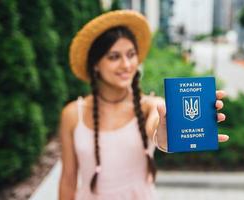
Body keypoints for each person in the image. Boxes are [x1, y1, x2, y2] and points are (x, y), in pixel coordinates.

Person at [58, 10, 228, 200]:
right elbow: (68, 180)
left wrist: (169, 133)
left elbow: (159, 135)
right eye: (114, 57)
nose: (126, 64)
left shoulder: (151, 106)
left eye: (131, 55)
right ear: (96, 64)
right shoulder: (73, 114)